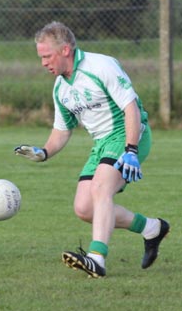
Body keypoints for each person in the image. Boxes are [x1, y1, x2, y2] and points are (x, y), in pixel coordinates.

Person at [14, 21, 169, 278]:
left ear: (65, 50)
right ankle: (152, 228)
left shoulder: (101, 66)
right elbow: (62, 130)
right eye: (40, 57)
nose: (43, 63)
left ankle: (97, 259)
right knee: (85, 208)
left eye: (46, 56)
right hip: (102, 144)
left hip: (128, 134)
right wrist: (43, 152)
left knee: (100, 189)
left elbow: (130, 108)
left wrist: (131, 150)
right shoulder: (60, 87)